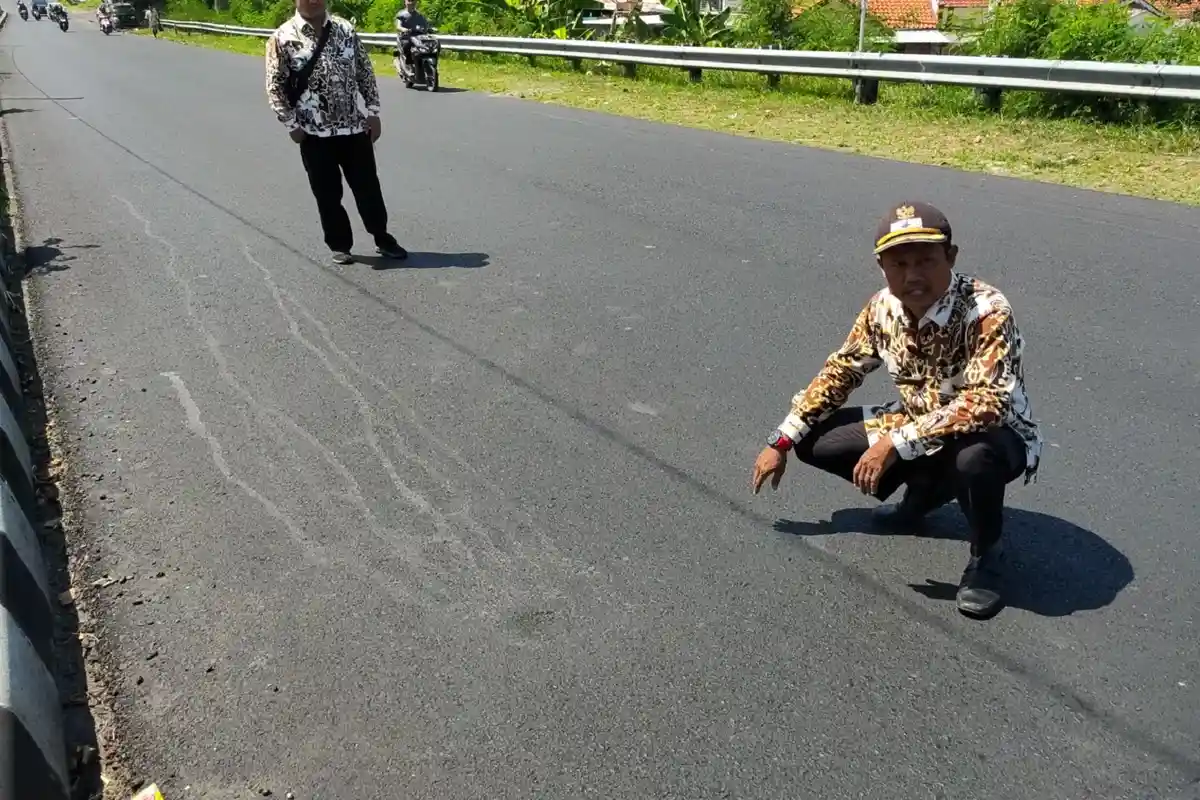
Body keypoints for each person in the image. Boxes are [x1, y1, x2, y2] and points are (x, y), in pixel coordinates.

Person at [751, 201, 1042, 619]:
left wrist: (893, 443)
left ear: (951, 257)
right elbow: (841, 372)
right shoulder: (881, 308)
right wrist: (780, 440)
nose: (912, 275)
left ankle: (987, 555)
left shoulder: (986, 310)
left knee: (974, 457)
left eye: (926, 261)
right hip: (915, 420)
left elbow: (988, 403)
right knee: (814, 441)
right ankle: (923, 494)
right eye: (899, 264)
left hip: (995, 433)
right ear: (881, 267)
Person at [265, 0, 408, 266]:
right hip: (313, 134)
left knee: (368, 188)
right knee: (327, 195)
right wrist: (291, 125)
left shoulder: (345, 29)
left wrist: (373, 111)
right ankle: (340, 245)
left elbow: (364, 71)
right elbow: (275, 86)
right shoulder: (282, 37)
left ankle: (382, 237)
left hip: (353, 128)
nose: (313, 0)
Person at [396, 0, 430, 69]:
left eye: (414, 1)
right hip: (406, 37)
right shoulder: (401, 14)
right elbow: (398, 26)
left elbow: (425, 25)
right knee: (408, 45)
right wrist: (404, 29)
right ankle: (409, 63)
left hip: (418, 37)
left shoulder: (419, 15)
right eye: (409, 1)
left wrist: (428, 29)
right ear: (405, 2)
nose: (411, 3)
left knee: (430, 44)